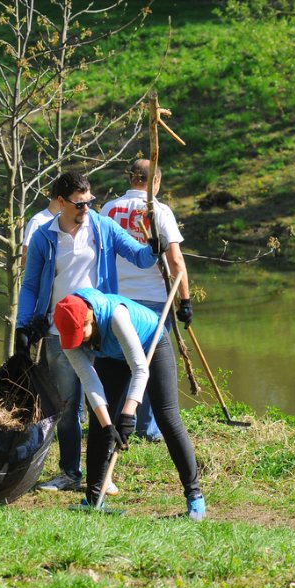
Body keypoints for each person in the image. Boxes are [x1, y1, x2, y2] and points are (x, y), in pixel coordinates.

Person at [16, 171, 160, 493]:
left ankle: (102, 473)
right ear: (60, 201)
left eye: (89, 202)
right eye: (79, 204)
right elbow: (30, 286)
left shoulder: (103, 227)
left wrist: (154, 245)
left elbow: (140, 258)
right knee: (67, 407)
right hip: (60, 333)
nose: (86, 209)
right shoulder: (43, 237)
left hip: (102, 330)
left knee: (103, 403)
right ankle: (70, 473)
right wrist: (23, 326)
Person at [52, 288, 206, 520]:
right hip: (113, 355)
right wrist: (108, 425)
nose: (78, 341)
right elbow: (89, 380)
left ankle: (195, 497)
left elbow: (140, 369)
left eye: (80, 333)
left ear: (89, 318)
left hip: (150, 344)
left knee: (166, 417)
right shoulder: (68, 335)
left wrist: (127, 416)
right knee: (99, 423)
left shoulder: (116, 316)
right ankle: (94, 497)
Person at [100, 159, 193, 442]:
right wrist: (185, 300)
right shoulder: (159, 211)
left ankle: (113, 420)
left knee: (120, 362)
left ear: (130, 178)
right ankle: (148, 428)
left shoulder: (108, 209)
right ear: (156, 182)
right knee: (152, 363)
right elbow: (175, 261)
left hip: (116, 298)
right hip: (153, 299)